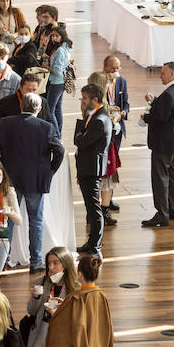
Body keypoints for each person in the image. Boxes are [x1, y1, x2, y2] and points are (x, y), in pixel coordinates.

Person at [0, 92, 65, 272]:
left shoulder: (6, 123)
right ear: (39, 109)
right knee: (36, 221)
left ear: (21, 106)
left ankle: (4, 259)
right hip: (36, 180)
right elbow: (60, 151)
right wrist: (49, 171)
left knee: (8, 220)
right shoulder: (46, 127)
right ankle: (35, 261)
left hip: (10, 179)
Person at [45, 253, 114, 347]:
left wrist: (55, 313)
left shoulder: (76, 299)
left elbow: (63, 327)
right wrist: (65, 305)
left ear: (80, 274)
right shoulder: (101, 296)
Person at [142, 61, 174, 227]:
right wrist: (155, 101)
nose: (160, 76)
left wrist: (145, 117)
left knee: (160, 178)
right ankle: (172, 210)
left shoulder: (169, 94)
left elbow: (160, 118)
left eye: (163, 73)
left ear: (171, 74)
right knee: (171, 175)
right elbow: (171, 111)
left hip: (164, 143)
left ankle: (162, 214)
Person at [73, 84, 112, 255]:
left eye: (85, 98)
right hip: (88, 167)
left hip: (91, 169)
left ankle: (95, 245)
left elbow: (80, 141)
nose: (82, 101)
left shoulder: (98, 120)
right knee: (91, 208)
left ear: (95, 100)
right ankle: (92, 242)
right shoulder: (96, 116)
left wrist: (80, 134)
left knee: (94, 209)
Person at [24, 247, 77, 347]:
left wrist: (61, 311)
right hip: (42, 329)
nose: (50, 267)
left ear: (65, 265)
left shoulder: (75, 288)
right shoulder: (41, 282)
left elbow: (78, 317)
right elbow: (31, 311)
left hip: (62, 334)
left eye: (55, 263)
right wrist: (35, 297)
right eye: (48, 263)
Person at [100, 55, 130, 219]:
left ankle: (109, 198)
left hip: (117, 128)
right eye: (113, 69)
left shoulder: (122, 82)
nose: (116, 72)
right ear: (105, 67)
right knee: (105, 164)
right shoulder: (98, 81)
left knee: (113, 163)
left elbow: (126, 102)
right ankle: (102, 200)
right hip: (104, 128)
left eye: (118, 68)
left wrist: (123, 113)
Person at [32, 6, 72, 124]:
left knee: (50, 108)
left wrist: (48, 64)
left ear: (53, 17)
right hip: (45, 71)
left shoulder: (58, 34)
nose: (42, 19)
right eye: (41, 16)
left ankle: (54, 133)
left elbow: (59, 58)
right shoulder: (44, 29)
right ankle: (57, 133)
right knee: (55, 107)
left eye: (45, 17)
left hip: (53, 76)